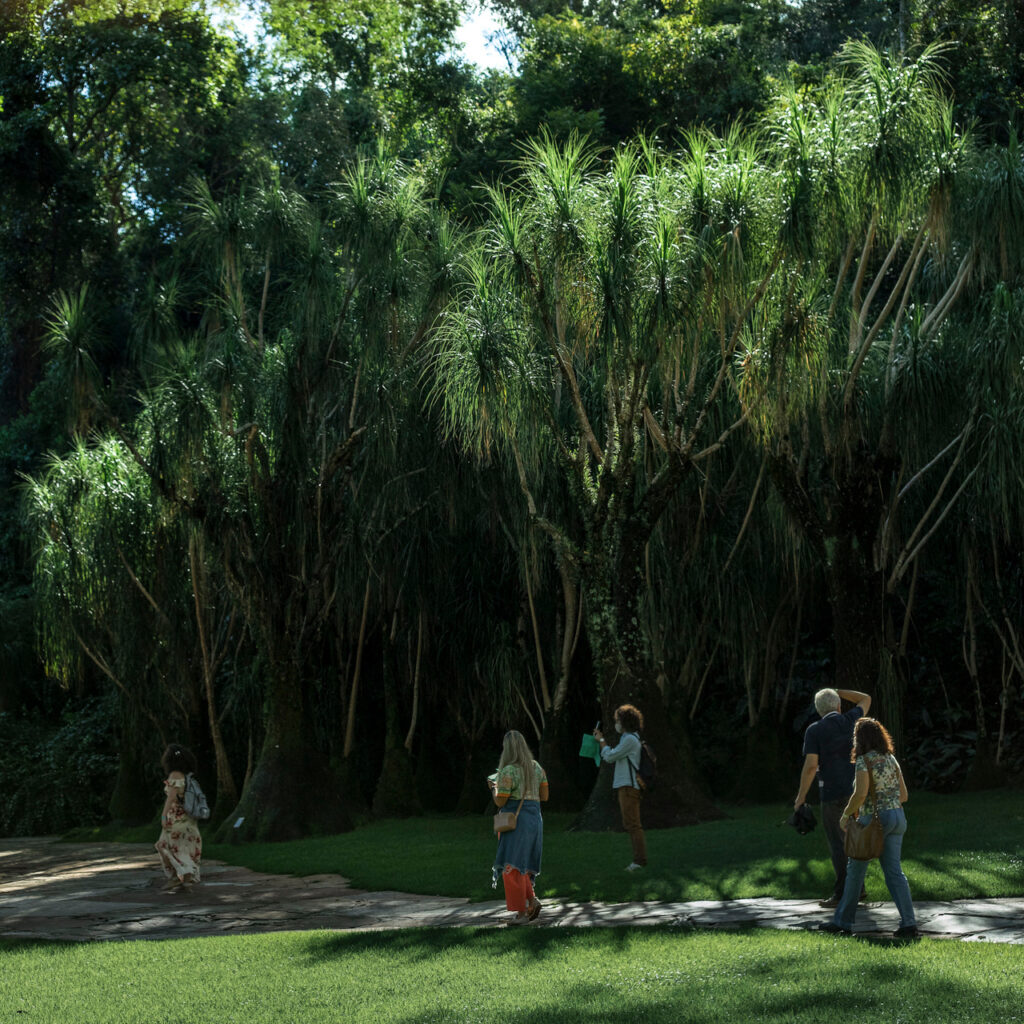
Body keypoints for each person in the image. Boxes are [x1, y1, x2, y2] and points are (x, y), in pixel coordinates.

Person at [822, 717, 918, 938]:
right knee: (894, 873)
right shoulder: (890, 758)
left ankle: (843, 923)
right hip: (898, 818)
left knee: (855, 872)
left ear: (860, 739)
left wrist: (846, 815)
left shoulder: (865, 761)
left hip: (873, 821)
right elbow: (903, 795)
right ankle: (909, 923)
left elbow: (860, 793)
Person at [794, 687, 871, 907]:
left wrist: (800, 797)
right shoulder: (851, 720)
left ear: (819, 710)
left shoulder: (814, 730)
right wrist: (839, 691)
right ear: (838, 705)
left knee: (838, 844)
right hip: (856, 791)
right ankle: (858, 888)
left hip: (831, 793)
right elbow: (865, 698)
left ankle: (842, 894)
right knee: (854, 841)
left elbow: (810, 767)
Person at [490, 730, 548, 925]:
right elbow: (545, 796)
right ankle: (532, 900)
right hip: (535, 819)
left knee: (511, 865)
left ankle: (522, 913)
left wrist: (493, 788)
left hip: (517, 821)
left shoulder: (507, 771)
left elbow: (500, 801)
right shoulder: (537, 768)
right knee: (523, 865)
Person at [594, 704, 646, 871]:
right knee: (630, 823)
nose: (616, 723)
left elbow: (610, 756)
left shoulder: (630, 739)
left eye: (618, 720)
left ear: (624, 722)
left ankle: (639, 861)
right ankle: (638, 860)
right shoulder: (629, 738)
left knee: (633, 824)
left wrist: (602, 741)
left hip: (629, 787)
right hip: (626, 786)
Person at [155, 744, 203, 893]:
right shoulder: (187, 776)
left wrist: (163, 816)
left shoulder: (174, 775)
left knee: (164, 845)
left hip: (175, 819)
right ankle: (186, 883)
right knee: (184, 849)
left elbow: (170, 799)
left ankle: (175, 877)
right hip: (188, 819)